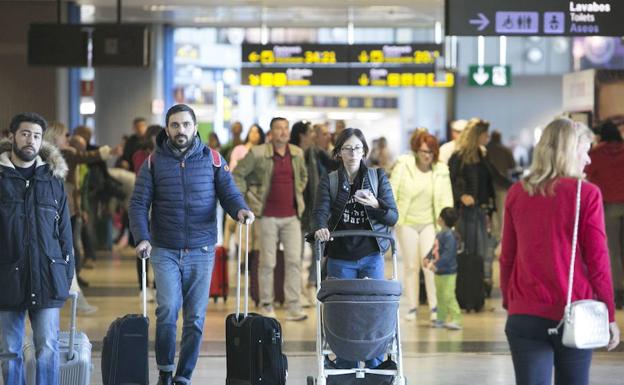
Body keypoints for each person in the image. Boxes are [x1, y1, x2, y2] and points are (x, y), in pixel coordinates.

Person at [129, 104, 254, 385]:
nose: (181, 130)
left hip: (202, 250)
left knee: (195, 318)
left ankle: (183, 375)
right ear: (167, 129)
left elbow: (229, 193)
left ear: (195, 128)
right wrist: (142, 238)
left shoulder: (212, 159)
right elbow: (138, 203)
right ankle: (164, 370)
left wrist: (241, 210)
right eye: (175, 125)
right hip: (164, 249)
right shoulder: (153, 162)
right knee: (168, 310)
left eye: (186, 124)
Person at [500, 118, 620, 385]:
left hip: (524, 314)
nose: (588, 160)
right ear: (569, 151)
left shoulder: (517, 192)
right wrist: (609, 315)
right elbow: (599, 261)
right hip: (573, 311)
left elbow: (507, 255)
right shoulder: (586, 193)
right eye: (584, 151)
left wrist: (512, 302)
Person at [313, 127, 398, 368]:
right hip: (340, 256)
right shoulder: (330, 180)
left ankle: (374, 364)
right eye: (347, 148)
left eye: (357, 148)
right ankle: (345, 364)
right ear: (339, 152)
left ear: (364, 151)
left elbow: (392, 217)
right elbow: (320, 212)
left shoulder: (377, 177)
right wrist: (320, 227)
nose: (352, 153)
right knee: (343, 312)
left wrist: (375, 204)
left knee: (372, 310)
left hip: (371, 254)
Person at [0, 112, 74, 385]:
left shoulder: (53, 181)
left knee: (48, 348)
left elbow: (65, 234)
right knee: (9, 351)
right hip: (7, 277)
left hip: (47, 276)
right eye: (24, 134)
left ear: (42, 141)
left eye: (36, 136)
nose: (30, 140)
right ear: (12, 137)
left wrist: (66, 278)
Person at [233, 117, 309, 321]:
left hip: (292, 216)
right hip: (266, 216)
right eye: (278, 128)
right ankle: (266, 304)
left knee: (294, 261)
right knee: (268, 262)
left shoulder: (297, 153)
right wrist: (246, 198)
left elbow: (303, 177)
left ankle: (293, 306)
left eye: (286, 128)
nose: (283, 132)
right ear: (271, 132)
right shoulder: (257, 153)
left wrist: (297, 193)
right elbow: (237, 174)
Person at [390, 131, 453, 322]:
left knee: (430, 265)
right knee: (411, 266)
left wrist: (448, 224)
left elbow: (446, 198)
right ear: (416, 150)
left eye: (431, 152)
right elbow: (391, 190)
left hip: (430, 223)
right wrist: (390, 216)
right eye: (424, 151)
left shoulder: (441, 170)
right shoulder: (403, 165)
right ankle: (412, 307)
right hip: (406, 222)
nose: (427, 155)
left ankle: (435, 307)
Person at [449, 118, 510, 298]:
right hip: (465, 212)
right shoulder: (458, 158)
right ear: (478, 136)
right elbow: (450, 181)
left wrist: (521, 187)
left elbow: (496, 177)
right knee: (469, 252)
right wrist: (461, 195)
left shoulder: (483, 156)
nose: (488, 137)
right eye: (485, 134)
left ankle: (478, 290)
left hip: (482, 211)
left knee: (483, 252)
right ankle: (468, 291)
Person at [586, 120, 624, 309]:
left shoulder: (596, 153)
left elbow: (585, 172)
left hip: (609, 206)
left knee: (613, 251)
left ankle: (618, 291)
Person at [423, 207, 462, 330]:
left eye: (440, 216)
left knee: (448, 295)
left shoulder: (449, 236)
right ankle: (441, 318)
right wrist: (427, 257)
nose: (438, 218)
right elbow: (435, 248)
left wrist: (436, 264)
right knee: (440, 295)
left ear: (443, 220)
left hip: (448, 272)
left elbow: (448, 254)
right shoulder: (440, 234)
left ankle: (457, 319)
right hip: (439, 272)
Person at [486, 130, 516, 241]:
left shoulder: (486, 150)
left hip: (488, 186)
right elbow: (512, 165)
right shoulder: (505, 150)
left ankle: (493, 236)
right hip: (502, 186)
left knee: (492, 213)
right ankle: (500, 238)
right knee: (501, 213)